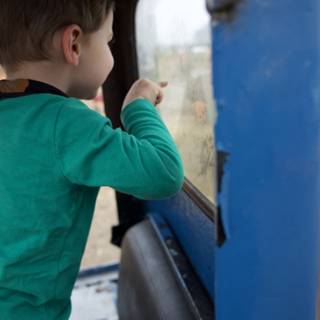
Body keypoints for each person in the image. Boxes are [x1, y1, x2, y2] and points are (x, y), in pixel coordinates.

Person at [0, 1, 184, 319]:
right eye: (109, 41)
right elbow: (164, 172)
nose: (111, 52)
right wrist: (137, 107)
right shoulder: (67, 123)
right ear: (73, 43)